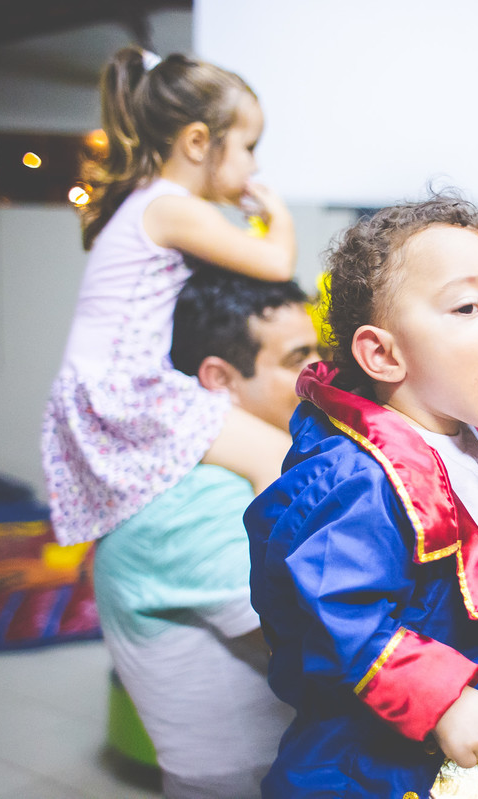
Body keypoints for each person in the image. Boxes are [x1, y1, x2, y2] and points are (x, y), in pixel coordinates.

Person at [243, 194, 478, 797]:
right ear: (383, 354)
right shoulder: (360, 478)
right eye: (468, 306)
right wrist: (443, 698)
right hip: (357, 764)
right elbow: (338, 615)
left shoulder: (468, 435)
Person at [41, 46, 297, 548]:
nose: (254, 164)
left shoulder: (154, 202)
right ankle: (286, 582)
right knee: (275, 454)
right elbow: (277, 264)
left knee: (261, 447)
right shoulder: (170, 207)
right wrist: (277, 213)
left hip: (110, 388)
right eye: (248, 146)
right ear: (199, 142)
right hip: (125, 392)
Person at [92, 264, 318, 797]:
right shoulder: (195, 501)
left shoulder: (229, 472)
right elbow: (308, 643)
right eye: (297, 359)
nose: (322, 372)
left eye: (319, 351)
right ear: (219, 379)